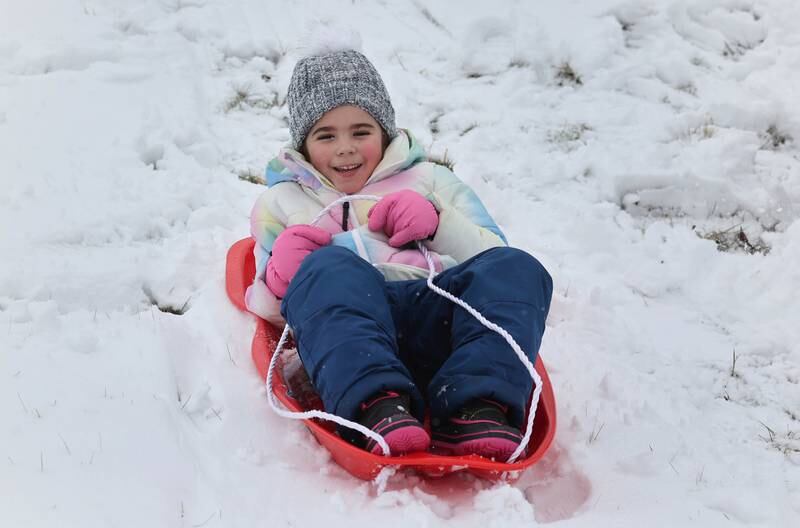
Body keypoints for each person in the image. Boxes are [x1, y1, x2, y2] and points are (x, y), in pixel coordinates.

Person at [245, 48, 552, 460]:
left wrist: (440, 224)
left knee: (520, 269)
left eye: (361, 131)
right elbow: (268, 312)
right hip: (349, 337)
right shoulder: (280, 203)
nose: (345, 149)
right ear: (302, 143)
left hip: (440, 318)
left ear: (385, 131)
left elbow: (493, 255)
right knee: (328, 269)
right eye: (325, 135)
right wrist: (284, 276)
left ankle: (475, 407)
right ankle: (376, 407)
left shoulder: (431, 180)